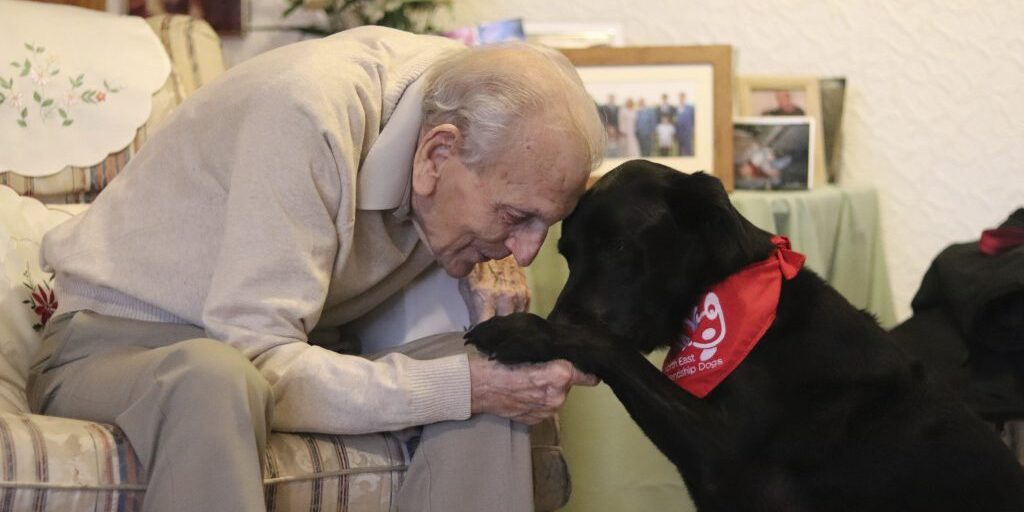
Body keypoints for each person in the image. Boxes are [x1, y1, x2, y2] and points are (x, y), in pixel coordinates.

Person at [27, 27, 605, 512]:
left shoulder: (470, 104)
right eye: (515, 217)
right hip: (113, 351)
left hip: (297, 347)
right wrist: (463, 387)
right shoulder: (309, 111)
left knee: (493, 379)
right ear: (437, 155)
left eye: (543, 225)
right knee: (215, 375)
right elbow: (256, 359)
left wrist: (483, 371)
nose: (525, 253)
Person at [674, 92, 695, 157]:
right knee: (679, 148)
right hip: (679, 131)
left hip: (687, 131)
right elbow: (675, 120)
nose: (681, 99)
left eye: (682, 97)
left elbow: (693, 119)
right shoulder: (676, 108)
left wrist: (692, 129)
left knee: (688, 148)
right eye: (680, 97)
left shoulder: (690, 108)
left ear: (684, 98)